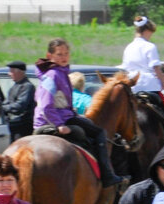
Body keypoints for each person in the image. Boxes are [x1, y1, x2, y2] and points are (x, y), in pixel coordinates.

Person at [33, 38, 123, 188]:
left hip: (63, 116)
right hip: (52, 121)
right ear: (50, 56)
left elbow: (61, 102)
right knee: (99, 132)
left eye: (66, 53)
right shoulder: (53, 75)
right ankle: (107, 175)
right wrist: (59, 125)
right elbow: (46, 104)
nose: (64, 57)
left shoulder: (61, 72)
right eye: (59, 54)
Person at [122, 15, 164, 144]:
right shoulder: (150, 47)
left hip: (133, 87)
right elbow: (156, 68)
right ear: (147, 31)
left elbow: (125, 69)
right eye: (151, 34)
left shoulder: (128, 48)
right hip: (149, 86)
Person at [4, 60, 36, 141]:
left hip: (23, 127)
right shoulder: (14, 87)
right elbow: (7, 102)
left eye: (11, 71)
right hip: (13, 125)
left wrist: (1, 108)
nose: (9, 74)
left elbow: (19, 106)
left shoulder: (27, 87)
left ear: (20, 72)